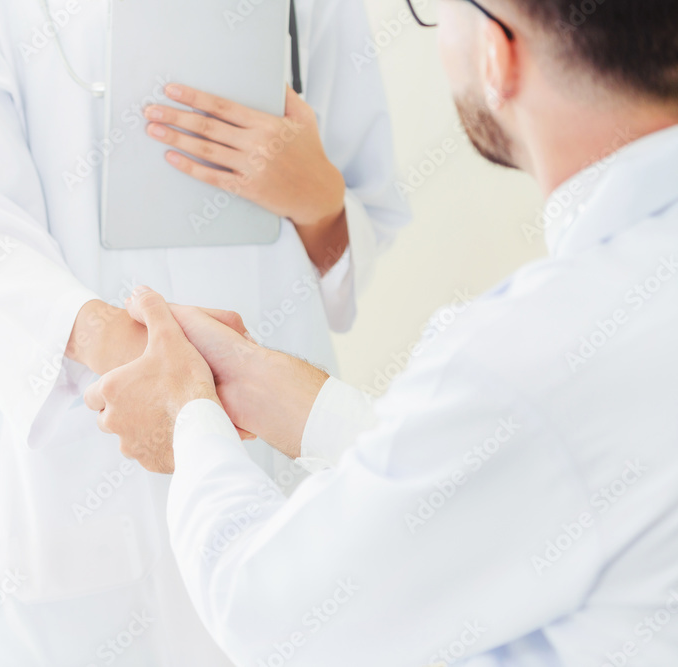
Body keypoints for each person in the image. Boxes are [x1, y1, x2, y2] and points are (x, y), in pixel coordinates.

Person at [86, 0, 678, 664]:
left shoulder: (523, 358)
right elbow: (513, 470)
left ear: (497, 54)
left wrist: (188, 420)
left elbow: (271, 617)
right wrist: (295, 403)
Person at [0, 0, 409, 664]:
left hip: (276, 454)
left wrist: (318, 199)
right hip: (84, 469)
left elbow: (365, 223)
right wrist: (147, 360)